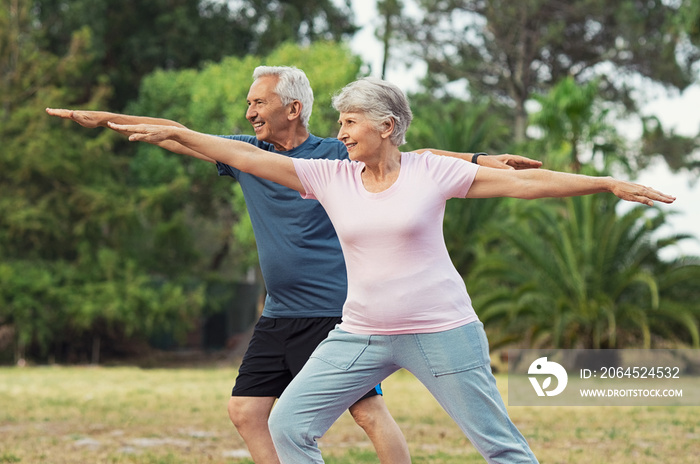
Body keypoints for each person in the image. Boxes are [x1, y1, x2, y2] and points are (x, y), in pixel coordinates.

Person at [102, 76, 675, 463]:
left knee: (501, 448)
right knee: (288, 426)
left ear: (387, 127)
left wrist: (603, 183)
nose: (343, 132)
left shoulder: (430, 172)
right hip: (361, 332)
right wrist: (177, 132)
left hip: (441, 330)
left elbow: (525, 183)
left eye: (352, 122)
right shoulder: (331, 178)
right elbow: (247, 156)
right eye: (341, 122)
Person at [46, 66, 543, 464]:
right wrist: (106, 118)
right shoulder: (249, 154)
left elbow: (413, 157)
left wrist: (480, 158)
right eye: (248, 104)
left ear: (293, 107)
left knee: (368, 414)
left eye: (258, 102)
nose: (250, 112)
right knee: (247, 411)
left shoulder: (333, 156)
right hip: (280, 311)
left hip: (334, 311)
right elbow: (180, 135)